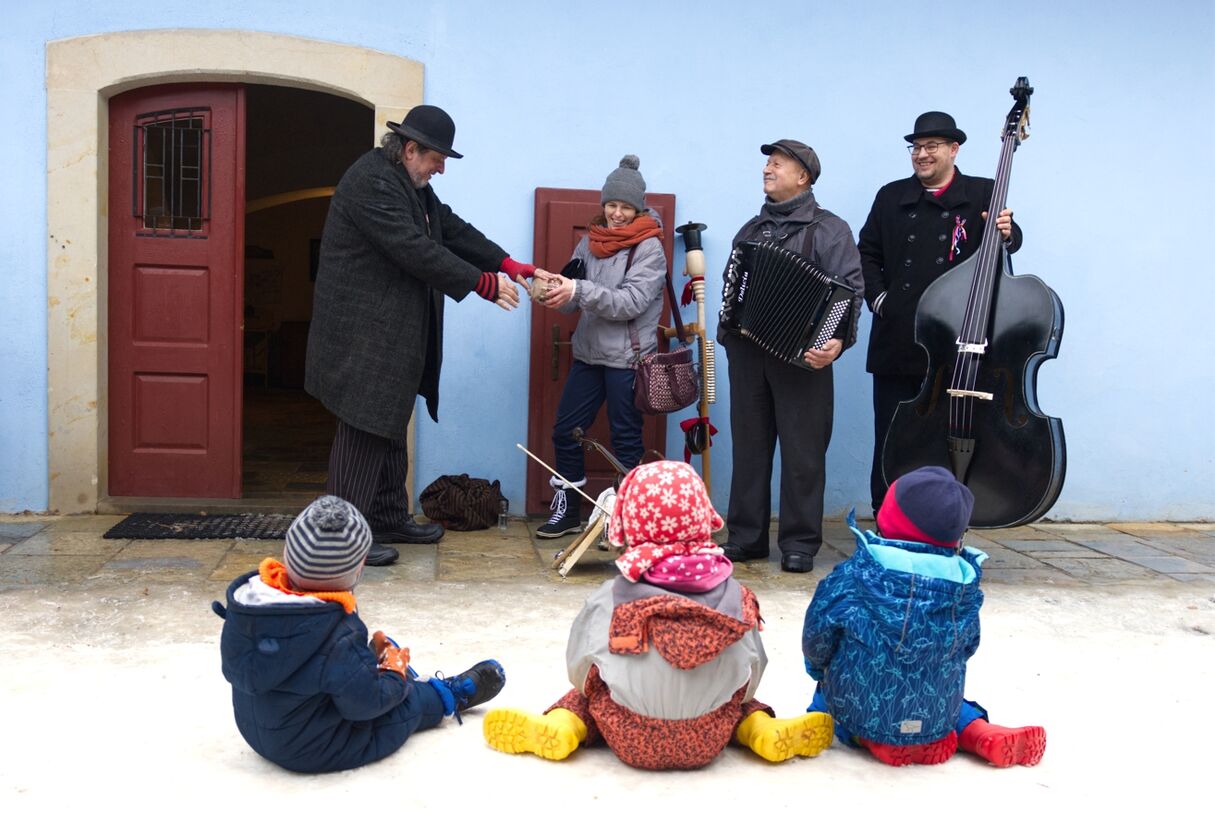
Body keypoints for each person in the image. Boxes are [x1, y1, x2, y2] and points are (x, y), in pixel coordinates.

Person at [306, 104, 540, 566]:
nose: (441, 168)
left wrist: (507, 263)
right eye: (438, 158)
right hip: (360, 335)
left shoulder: (412, 186)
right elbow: (410, 248)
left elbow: (450, 228)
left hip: (388, 332)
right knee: (363, 429)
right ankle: (339, 541)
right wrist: (482, 283)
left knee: (388, 422)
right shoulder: (370, 181)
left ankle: (388, 516)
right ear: (410, 149)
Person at [482, 460, 833, 769]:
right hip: (708, 737)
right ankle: (762, 729)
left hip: (628, 735)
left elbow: (581, 667)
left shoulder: (613, 598)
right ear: (700, 516)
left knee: (581, 699)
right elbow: (753, 669)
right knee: (742, 704)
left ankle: (562, 725)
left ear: (630, 522)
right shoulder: (735, 596)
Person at [212, 495, 507, 773]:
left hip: (257, 731)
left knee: (344, 669)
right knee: (405, 705)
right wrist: (394, 674)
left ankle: (376, 669)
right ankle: (446, 697)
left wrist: (360, 658)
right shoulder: (338, 635)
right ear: (358, 570)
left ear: (287, 553)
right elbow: (365, 706)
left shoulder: (251, 604)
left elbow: (298, 658)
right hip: (313, 748)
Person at [801, 466, 1047, 768]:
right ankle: (978, 732)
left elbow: (818, 634)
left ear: (888, 518)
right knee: (948, 704)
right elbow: (969, 645)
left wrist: (817, 670)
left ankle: (872, 739)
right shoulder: (963, 584)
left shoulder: (857, 574)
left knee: (826, 699)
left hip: (865, 708)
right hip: (934, 714)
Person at [859, 111, 1022, 514]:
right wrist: (882, 302)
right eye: (916, 147)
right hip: (899, 338)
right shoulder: (890, 195)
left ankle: (945, 520)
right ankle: (888, 518)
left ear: (954, 149)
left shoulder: (984, 193)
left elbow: (1006, 248)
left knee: (948, 434)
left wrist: (1009, 234)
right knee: (893, 436)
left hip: (958, 346)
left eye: (931, 146)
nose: (922, 154)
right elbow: (867, 254)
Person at [718, 140, 864, 573]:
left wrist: (837, 342)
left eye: (777, 163)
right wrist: (730, 328)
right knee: (749, 449)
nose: (768, 168)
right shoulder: (751, 230)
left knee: (804, 453)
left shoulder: (830, 229)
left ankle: (800, 543)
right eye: (767, 162)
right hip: (748, 355)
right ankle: (746, 537)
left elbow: (850, 292)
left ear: (803, 176)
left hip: (804, 359)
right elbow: (734, 285)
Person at [529, 155, 667, 538]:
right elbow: (577, 298)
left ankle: (623, 520)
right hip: (589, 355)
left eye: (625, 207)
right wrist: (554, 291)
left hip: (628, 359)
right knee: (565, 431)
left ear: (638, 208)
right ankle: (568, 511)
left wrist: (579, 290)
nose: (617, 214)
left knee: (626, 439)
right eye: (611, 205)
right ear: (602, 205)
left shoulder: (649, 249)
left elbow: (631, 303)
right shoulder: (589, 243)